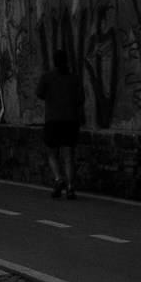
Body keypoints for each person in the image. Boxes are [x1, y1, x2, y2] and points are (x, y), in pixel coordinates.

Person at [38, 48, 86, 198]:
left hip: (52, 120)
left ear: (54, 62)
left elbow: (39, 94)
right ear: (67, 61)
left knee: (52, 153)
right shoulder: (75, 78)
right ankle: (70, 187)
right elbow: (81, 99)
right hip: (70, 120)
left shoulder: (46, 77)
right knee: (68, 155)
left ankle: (58, 178)